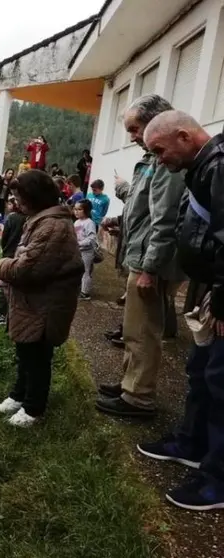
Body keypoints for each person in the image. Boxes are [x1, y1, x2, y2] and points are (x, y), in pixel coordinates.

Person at [137, 109, 224, 511]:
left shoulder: (219, 168)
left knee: (221, 379)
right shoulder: (202, 168)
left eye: (159, 149)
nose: (158, 159)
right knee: (202, 371)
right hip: (211, 288)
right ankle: (194, 444)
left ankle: (217, 479)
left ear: (185, 137)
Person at [95, 94, 186, 418]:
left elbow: (165, 218)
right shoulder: (151, 160)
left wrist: (149, 268)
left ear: (156, 122)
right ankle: (128, 382)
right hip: (141, 253)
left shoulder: (166, 161)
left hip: (151, 260)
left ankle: (138, 397)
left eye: (135, 128)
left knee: (144, 331)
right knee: (133, 328)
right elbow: (142, 206)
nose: (132, 136)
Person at [0, 170, 83, 427]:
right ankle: (19, 395)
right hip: (34, 302)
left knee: (37, 357)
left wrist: (2, 265)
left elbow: (26, 269)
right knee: (25, 352)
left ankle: (33, 408)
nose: (17, 202)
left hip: (45, 305)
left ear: (36, 196)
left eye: (20, 197)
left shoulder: (52, 226)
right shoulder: (41, 220)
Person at [0, 195, 26, 326]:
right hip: (22, 256)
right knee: (18, 286)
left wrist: (5, 248)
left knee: (3, 286)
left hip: (8, 254)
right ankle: (14, 314)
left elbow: (4, 237)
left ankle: (1, 314)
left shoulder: (12, 218)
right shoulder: (29, 218)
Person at [74, 199, 98, 301]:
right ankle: (80, 288)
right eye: (75, 209)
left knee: (86, 271)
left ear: (86, 210)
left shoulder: (89, 223)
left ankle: (85, 293)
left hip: (87, 252)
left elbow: (91, 238)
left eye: (79, 209)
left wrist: (79, 243)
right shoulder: (76, 222)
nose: (76, 211)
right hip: (78, 250)